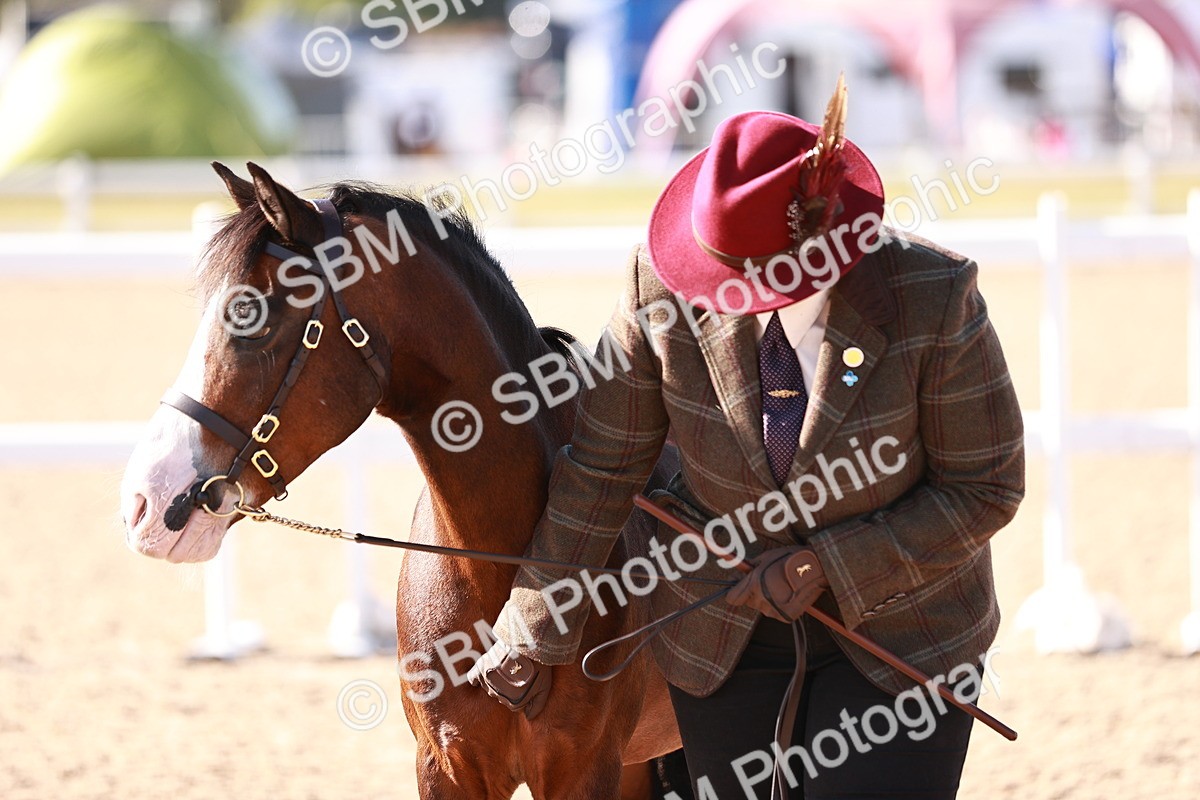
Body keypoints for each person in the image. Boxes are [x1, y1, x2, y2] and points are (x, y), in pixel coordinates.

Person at [468, 81, 1025, 799]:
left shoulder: (934, 296)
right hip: (721, 636)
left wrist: (829, 563)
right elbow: (603, 466)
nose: (714, 298)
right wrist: (531, 624)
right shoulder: (657, 292)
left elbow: (985, 487)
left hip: (902, 637)